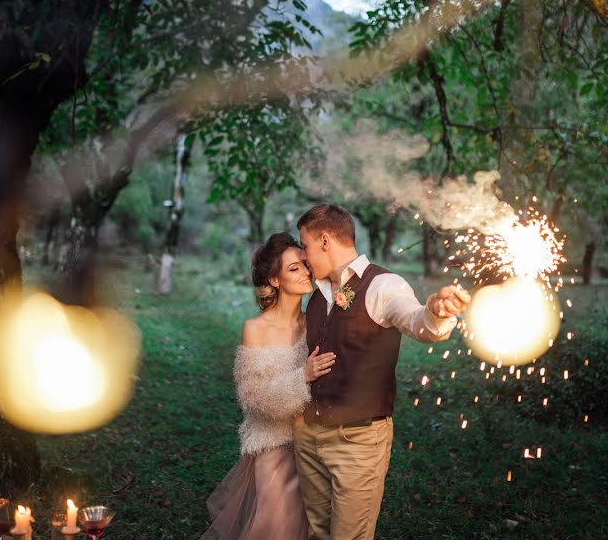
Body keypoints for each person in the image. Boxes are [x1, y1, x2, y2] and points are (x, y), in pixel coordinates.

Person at [293, 204, 470, 540]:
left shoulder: (384, 285)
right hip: (308, 438)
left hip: (356, 441)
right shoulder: (316, 296)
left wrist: (436, 312)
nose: (303, 256)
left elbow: (419, 323)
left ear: (326, 240)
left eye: (305, 245)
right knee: (316, 533)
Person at [201, 232, 336, 540]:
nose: (305, 272)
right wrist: (302, 376)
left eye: (304, 264)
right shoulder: (255, 329)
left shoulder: (318, 321)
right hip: (273, 447)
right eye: (293, 269)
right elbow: (252, 398)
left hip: (316, 445)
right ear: (275, 280)